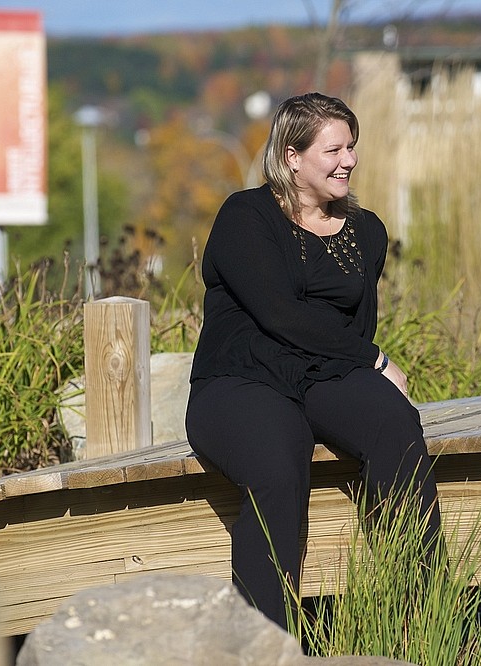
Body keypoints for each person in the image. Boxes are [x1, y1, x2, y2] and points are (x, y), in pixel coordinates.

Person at [185, 92, 442, 629]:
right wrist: (374, 360)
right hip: (244, 378)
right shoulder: (245, 216)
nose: (348, 159)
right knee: (277, 464)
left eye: (352, 146)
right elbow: (280, 313)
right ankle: (266, 643)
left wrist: (364, 373)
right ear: (292, 156)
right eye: (333, 149)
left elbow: (354, 324)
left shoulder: (366, 230)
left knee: (395, 423)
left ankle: (421, 612)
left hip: (323, 373)